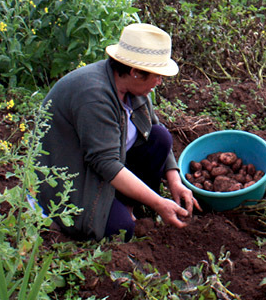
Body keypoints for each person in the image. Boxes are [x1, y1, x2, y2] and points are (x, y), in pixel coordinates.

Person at [37, 23, 200, 240]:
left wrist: (175, 182)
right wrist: (158, 203)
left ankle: (126, 205)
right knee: (122, 230)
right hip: (73, 176)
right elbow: (104, 163)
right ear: (135, 72)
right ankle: (116, 212)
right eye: (157, 75)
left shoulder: (133, 87)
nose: (159, 82)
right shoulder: (94, 97)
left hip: (108, 161)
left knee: (159, 137)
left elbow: (153, 125)